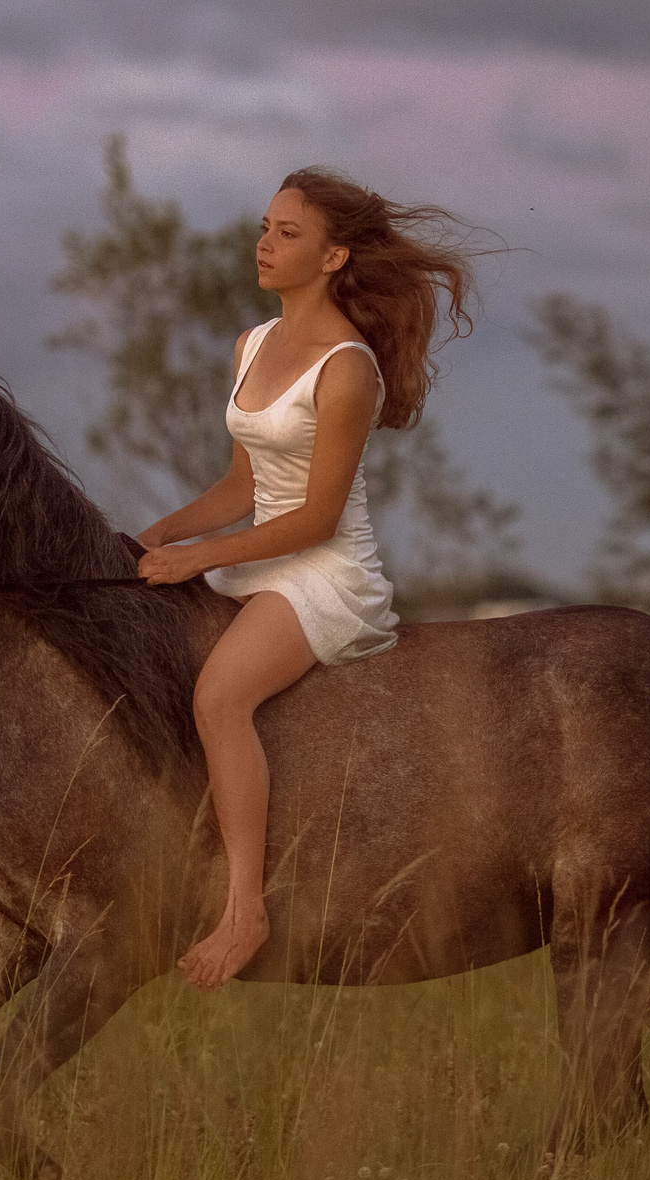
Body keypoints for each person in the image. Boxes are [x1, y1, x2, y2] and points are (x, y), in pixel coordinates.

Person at [135, 167, 476, 989]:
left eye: (288, 233)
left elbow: (318, 517)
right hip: (258, 552)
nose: (265, 243)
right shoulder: (253, 344)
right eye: (265, 226)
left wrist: (197, 558)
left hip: (323, 570)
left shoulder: (348, 369)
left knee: (219, 698)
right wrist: (152, 536)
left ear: (334, 256)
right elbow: (243, 486)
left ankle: (245, 909)